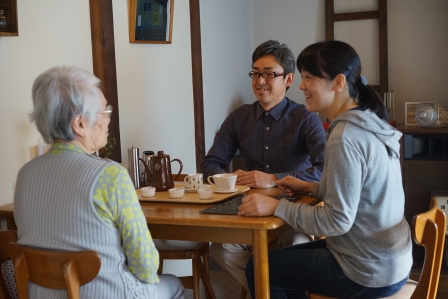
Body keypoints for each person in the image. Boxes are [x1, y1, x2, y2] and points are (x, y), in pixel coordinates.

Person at [240, 40, 412, 299]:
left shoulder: (345, 135)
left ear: (338, 82)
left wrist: (276, 207)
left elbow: (337, 220)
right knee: (278, 262)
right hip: (387, 261)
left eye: (308, 77)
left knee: (260, 267)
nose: (301, 85)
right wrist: (311, 188)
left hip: (365, 270)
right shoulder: (367, 122)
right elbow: (362, 192)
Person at [14, 66, 185, 299]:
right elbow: (146, 265)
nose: (108, 118)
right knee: (174, 284)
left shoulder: (26, 174)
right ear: (80, 124)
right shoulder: (110, 176)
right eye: (105, 110)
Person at [203, 40, 327, 290]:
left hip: (293, 212)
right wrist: (228, 179)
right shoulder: (239, 118)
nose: (260, 81)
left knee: (296, 247)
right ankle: (268, 292)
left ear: (288, 79)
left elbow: (325, 169)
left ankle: (269, 291)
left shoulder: (306, 119)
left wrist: (274, 179)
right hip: (248, 211)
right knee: (222, 249)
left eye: (269, 74)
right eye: (256, 73)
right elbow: (211, 164)